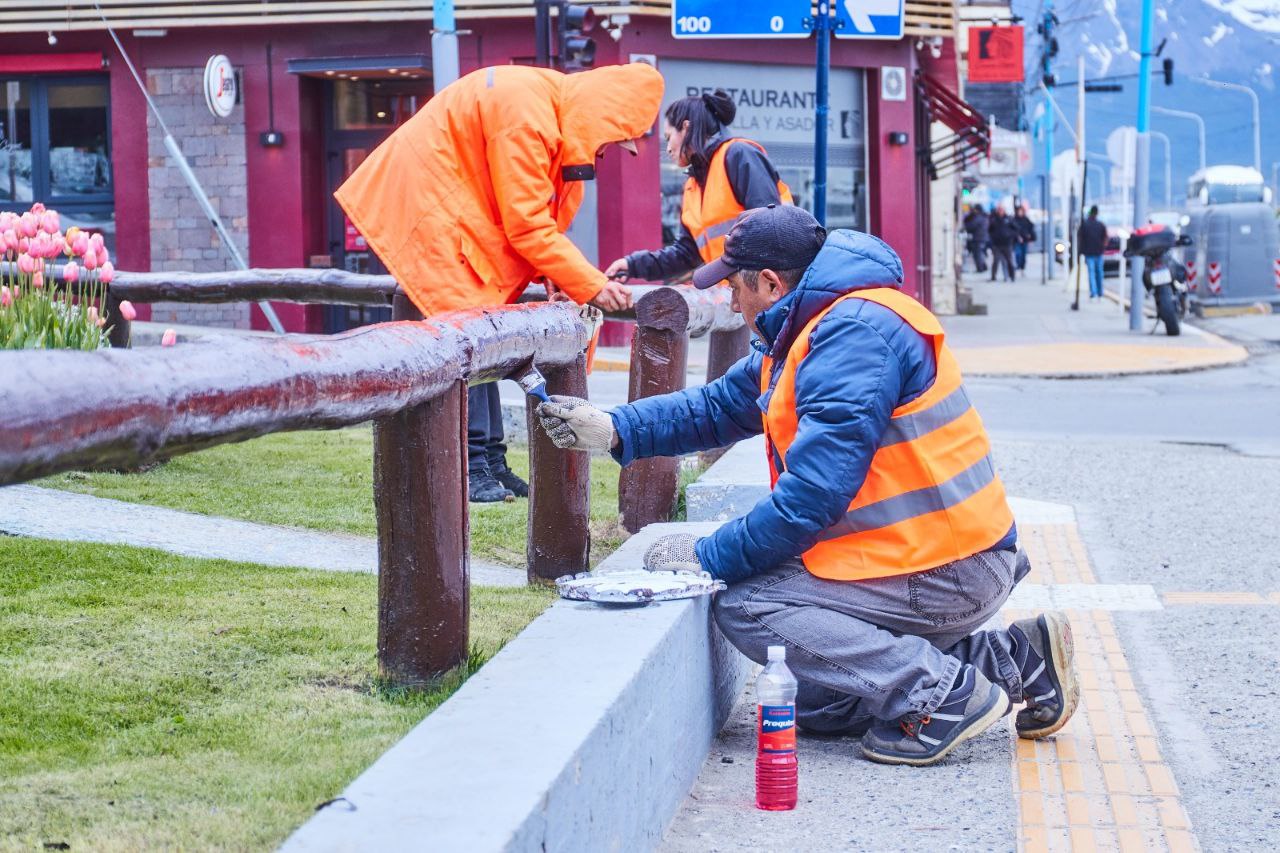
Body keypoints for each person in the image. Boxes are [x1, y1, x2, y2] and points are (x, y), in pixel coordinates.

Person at [536, 205, 1079, 766]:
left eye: (733, 287)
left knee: (749, 606)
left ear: (770, 284)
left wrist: (705, 557)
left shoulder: (851, 338)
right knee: (816, 702)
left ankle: (939, 695)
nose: (729, 302)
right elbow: (720, 405)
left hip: (945, 570)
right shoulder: (812, 328)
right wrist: (614, 430)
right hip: (928, 557)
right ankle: (1016, 660)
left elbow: (808, 501)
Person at [335, 62, 663, 502]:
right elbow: (528, 225)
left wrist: (557, 273)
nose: (605, 153)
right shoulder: (529, 115)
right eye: (613, 142)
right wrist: (589, 284)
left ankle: (489, 461)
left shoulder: (545, 112)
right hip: (429, 212)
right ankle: (472, 466)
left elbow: (534, 218)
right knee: (471, 334)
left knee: (482, 335)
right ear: (603, 116)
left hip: (450, 213)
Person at [603, 89, 792, 284]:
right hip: (738, 297)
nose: (667, 148)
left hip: (768, 291)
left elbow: (769, 229)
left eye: (669, 138)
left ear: (686, 128)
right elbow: (686, 254)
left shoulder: (738, 154)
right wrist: (633, 264)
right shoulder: (693, 185)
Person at [1077, 206, 1108, 299]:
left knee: (1092, 273)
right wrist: (1103, 247)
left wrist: (1080, 251)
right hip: (1098, 252)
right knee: (1099, 273)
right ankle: (1100, 292)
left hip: (1089, 253)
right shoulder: (1100, 225)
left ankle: (1094, 292)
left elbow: (1080, 239)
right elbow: (1105, 238)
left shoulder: (1085, 225)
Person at [988, 206, 1016, 282]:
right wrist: (993, 238)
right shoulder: (993, 219)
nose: (1000, 211)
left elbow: (1015, 229)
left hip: (1007, 243)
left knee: (1009, 261)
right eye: (999, 210)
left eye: (1002, 210)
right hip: (997, 244)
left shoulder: (1009, 219)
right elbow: (989, 230)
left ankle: (1012, 276)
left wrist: (1010, 235)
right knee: (996, 261)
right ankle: (993, 276)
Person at [963, 205, 989, 273]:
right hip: (981, 238)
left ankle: (981, 268)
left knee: (978, 254)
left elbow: (971, 226)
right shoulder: (984, 217)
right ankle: (982, 267)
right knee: (980, 253)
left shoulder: (978, 217)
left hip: (978, 238)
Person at [1013, 205, 1035, 272]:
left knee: (1023, 254)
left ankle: (1022, 266)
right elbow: (1013, 230)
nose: (1020, 213)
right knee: (1018, 253)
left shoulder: (1026, 219)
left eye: (1021, 211)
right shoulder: (1014, 219)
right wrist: (1017, 236)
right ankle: (1018, 265)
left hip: (1025, 239)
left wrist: (1030, 236)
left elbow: (1030, 228)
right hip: (1017, 239)